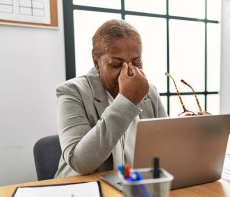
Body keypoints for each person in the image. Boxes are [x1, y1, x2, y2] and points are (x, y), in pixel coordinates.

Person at [55, 19, 167, 178]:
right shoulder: (72, 92)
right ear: (96, 62)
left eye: (137, 62)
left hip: (133, 185)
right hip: (82, 188)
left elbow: (166, 149)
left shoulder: (149, 91)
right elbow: (80, 162)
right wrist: (126, 101)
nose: (129, 72)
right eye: (116, 64)